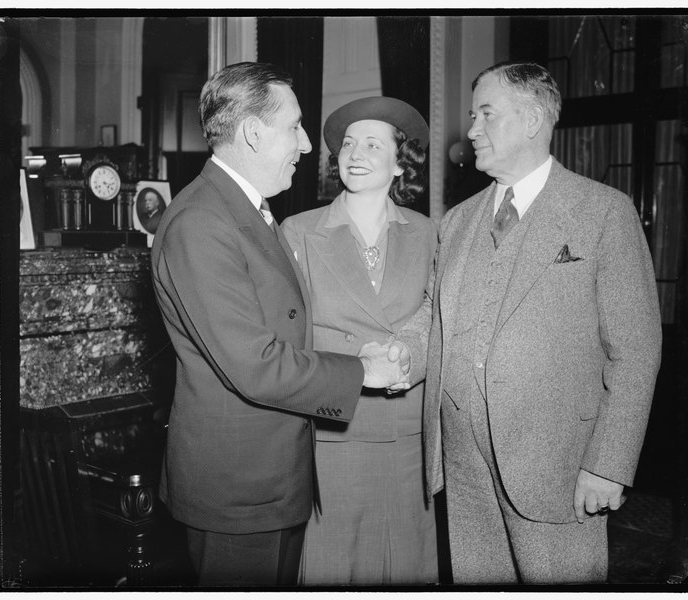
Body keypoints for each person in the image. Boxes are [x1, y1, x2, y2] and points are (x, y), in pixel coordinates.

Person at [389, 62, 662, 584]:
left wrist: (608, 463)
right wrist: (401, 350)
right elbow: (434, 315)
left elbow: (637, 350)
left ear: (534, 119)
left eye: (485, 114)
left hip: (556, 468)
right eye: (472, 116)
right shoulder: (458, 220)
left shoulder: (603, 212)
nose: (470, 131)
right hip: (464, 467)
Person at [150, 62, 405, 587]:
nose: (308, 145)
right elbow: (254, 363)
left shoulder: (246, 210)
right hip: (237, 491)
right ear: (251, 132)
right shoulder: (202, 222)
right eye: (295, 127)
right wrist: (362, 372)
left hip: (268, 480)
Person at [281, 97, 439, 585]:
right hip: (336, 429)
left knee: (407, 566)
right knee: (336, 568)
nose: (356, 153)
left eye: (374, 143)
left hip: (409, 431)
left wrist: (405, 362)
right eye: (349, 143)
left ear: (399, 161)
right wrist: (359, 363)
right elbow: (289, 335)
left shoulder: (432, 234)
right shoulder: (299, 232)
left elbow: (441, 318)